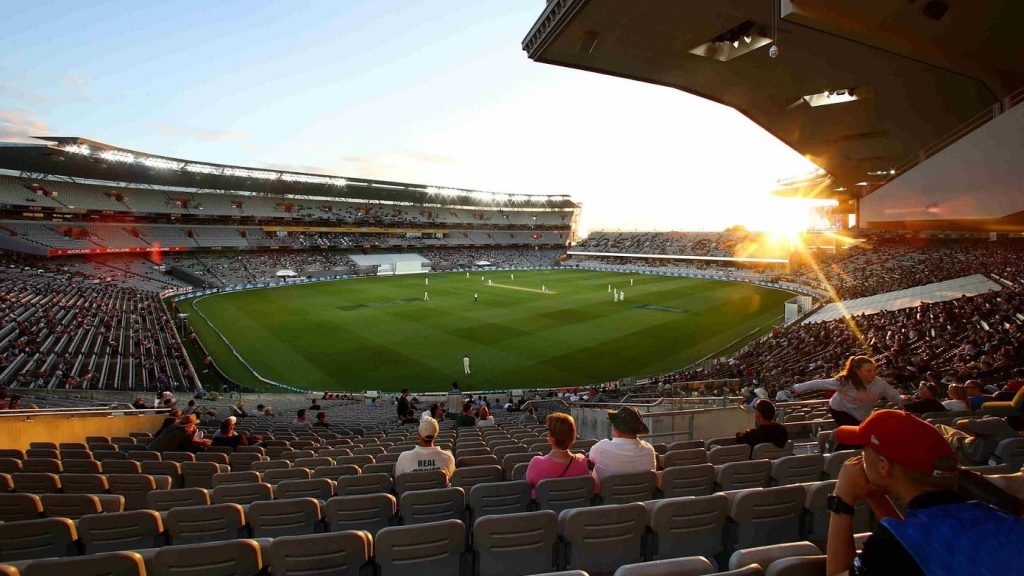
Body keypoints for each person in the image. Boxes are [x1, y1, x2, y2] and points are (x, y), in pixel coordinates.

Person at [825, 410, 1024, 576]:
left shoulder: (889, 549)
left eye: (863, 452)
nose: (860, 457)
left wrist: (842, 498)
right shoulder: (998, 515)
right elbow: (914, 540)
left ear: (883, 466)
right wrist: (876, 497)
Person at [791, 356, 903, 449]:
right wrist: (796, 388)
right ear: (857, 371)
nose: (873, 374)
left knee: (857, 437)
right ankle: (836, 457)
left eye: (874, 370)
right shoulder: (844, 381)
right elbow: (819, 384)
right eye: (868, 371)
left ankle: (838, 454)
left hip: (861, 414)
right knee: (856, 435)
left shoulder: (880, 383)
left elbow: (894, 396)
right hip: (840, 410)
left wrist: (904, 399)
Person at [588, 406, 657, 487]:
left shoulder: (601, 447)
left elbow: (591, 458)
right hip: (642, 496)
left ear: (616, 429)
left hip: (607, 498)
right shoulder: (649, 449)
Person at [525, 413, 590, 497]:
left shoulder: (536, 463)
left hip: (544, 508)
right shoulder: (582, 460)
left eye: (547, 430)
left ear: (551, 437)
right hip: (574, 507)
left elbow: (527, 488)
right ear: (572, 436)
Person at [936, 416, 1021, 465]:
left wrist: (976, 429)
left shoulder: (999, 423)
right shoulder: (1017, 437)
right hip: (973, 447)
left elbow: (960, 423)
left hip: (964, 452)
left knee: (936, 432)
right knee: (940, 427)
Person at [394, 417, 455, 481]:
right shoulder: (448, 457)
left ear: (419, 433)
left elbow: (399, 481)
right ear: (436, 434)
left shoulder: (404, 457)